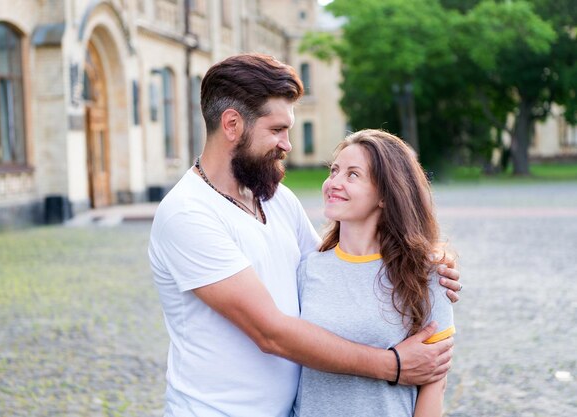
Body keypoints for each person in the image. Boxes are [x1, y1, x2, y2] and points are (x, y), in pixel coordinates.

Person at [148, 53, 462, 417]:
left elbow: (339, 273)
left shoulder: (276, 199)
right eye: (277, 130)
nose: (287, 144)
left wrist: (427, 264)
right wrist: (393, 366)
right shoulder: (188, 213)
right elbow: (271, 333)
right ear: (232, 124)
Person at [293, 129, 455, 417]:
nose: (334, 183)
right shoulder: (307, 269)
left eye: (352, 175)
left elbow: (435, 382)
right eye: (334, 171)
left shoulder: (427, 272)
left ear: (384, 195)